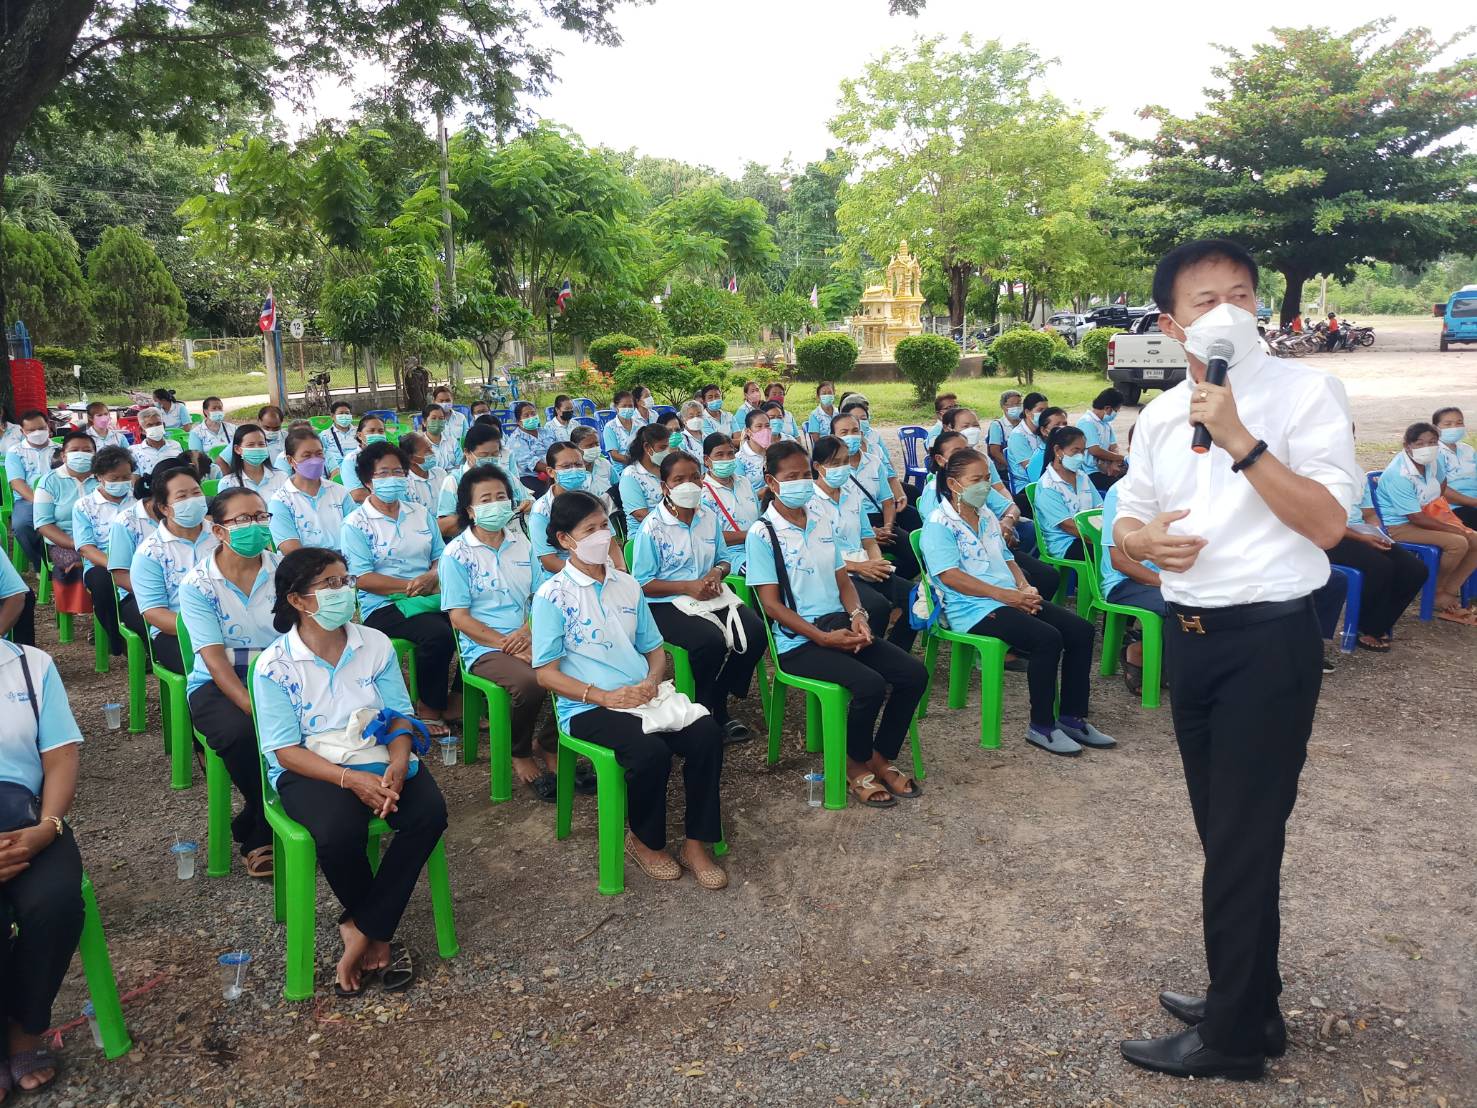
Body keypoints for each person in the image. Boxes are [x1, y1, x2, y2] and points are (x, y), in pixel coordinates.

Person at [1115, 238, 1360, 1080]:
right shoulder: (1157, 414)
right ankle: (1252, 1003)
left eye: (1240, 295)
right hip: (1189, 642)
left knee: (1242, 839)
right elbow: (1124, 526)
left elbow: (1327, 524)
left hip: (1267, 643)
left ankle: (1229, 1041)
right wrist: (1140, 543)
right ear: (1169, 324)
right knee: (1226, 837)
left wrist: (1239, 438)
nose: (1226, 312)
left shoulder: (1303, 393)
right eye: (1204, 300)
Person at [254, 547, 448, 995]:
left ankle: (362, 926)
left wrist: (398, 761)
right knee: (338, 830)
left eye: (346, 581)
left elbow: (399, 717)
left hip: (377, 753)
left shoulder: (373, 643)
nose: (343, 591)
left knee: (427, 814)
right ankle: (377, 932)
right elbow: (285, 750)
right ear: (297, 600)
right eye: (330, 584)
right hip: (311, 766)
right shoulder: (275, 665)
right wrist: (350, 779)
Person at [531, 491, 728, 887]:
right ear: (565, 539)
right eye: (589, 530)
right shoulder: (552, 596)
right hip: (587, 706)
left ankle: (696, 843)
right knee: (649, 752)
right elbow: (546, 675)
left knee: (707, 733)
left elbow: (653, 649)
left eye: (604, 526)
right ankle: (644, 841)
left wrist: (652, 680)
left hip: (641, 695)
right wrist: (604, 696)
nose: (602, 536)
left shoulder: (627, 585)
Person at [745, 441, 927, 808]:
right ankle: (853, 763)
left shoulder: (820, 519)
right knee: (869, 685)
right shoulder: (763, 533)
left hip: (839, 625)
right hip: (799, 641)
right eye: (791, 477)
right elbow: (771, 605)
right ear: (771, 481)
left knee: (912, 674)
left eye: (805, 474)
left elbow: (843, 580)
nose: (801, 482)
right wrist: (822, 638)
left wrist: (858, 616)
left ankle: (879, 755)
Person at [923, 448, 1110, 755]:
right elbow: (950, 576)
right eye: (975, 480)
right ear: (954, 484)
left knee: (1080, 630)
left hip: (1009, 597)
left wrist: (1024, 586)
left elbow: (1007, 557)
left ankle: (1072, 718)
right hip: (971, 607)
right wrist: (1005, 595)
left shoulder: (985, 515)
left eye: (987, 478)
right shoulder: (939, 523)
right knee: (1046, 639)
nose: (985, 485)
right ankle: (1042, 726)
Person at [441, 464, 567, 800]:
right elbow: (459, 618)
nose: (496, 504)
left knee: (581, 662)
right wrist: (508, 644)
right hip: (484, 646)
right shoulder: (456, 554)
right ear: (470, 509)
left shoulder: (521, 543)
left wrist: (528, 632)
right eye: (486, 499)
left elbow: (541, 596)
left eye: (501, 497)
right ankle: (520, 751)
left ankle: (548, 742)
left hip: (529, 634)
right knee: (530, 682)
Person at [0, 638, 85, 1095]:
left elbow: (60, 756)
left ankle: (25, 1027)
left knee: (56, 902)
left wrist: (47, 827)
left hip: (24, 818)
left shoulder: (31, 666)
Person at [180, 489, 279, 878]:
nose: (255, 526)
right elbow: (215, 661)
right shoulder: (198, 584)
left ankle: (257, 822)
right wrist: (253, 706)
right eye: (242, 520)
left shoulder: (285, 571)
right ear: (218, 530)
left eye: (260, 516)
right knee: (241, 733)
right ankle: (265, 829)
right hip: (218, 681)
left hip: (279, 672)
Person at [631, 453, 764, 741]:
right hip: (664, 603)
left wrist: (716, 572)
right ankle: (710, 710)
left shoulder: (708, 517)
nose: (688, 485)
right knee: (709, 641)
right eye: (679, 480)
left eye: (694, 477)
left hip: (709, 594)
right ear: (665, 487)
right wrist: (685, 586)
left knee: (755, 631)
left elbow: (724, 559)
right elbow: (642, 583)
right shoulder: (653, 527)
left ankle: (719, 692)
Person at [341, 442, 456, 736]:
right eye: (383, 473)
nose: (392, 478)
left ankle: (457, 700)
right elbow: (361, 577)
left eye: (398, 472)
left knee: (472, 621)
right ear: (368, 481)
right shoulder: (356, 523)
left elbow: (440, 556)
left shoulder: (419, 513)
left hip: (429, 595)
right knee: (438, 633)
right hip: (385, 605)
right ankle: (429, 709)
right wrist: (410, 586)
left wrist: (431, 576)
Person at [810, 435, 915, 651]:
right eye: (835, 463)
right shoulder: (809, 502)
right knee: (877, 607)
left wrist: (877, 563)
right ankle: (869, 654)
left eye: (845, 461)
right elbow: (815, 553)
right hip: (835, 573)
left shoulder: (851, 494)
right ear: (818, 466)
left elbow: (867, 538)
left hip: (863, 566)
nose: (842, 467)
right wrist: (859, 567)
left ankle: (895, 650)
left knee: (918, 598)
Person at [1374, 422, 1477, 623]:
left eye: (1432, 442)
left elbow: (1441, 484)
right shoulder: (1399, 474)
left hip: (1426, 516)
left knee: (1474, 539)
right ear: (1407, 446)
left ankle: (1448, 591)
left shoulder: (1433, 462)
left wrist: (1437, 509)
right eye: (1420, 443)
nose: (1427, 448)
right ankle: (1435, 590)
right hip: (1399, 526)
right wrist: (1452, 528)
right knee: (1457, 542)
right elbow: (1415, 518)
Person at [1325, 470, 1428, 651]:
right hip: (1330, 537)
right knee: (1380, 567)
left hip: (1360, 532)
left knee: (1415, 569)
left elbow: (1369, 513)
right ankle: (1365, 626)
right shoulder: (1319, 472)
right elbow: (1322, 522)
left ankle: (1378, 623)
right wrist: (1361, 538)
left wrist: (1377, 531)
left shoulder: (1356, 472)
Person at [130, 464, 218, 675]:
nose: (192, 500)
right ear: (164, 508)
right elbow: (154, 612)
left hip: (234, 626)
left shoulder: (222, 536)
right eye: (182, 496)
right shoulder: (150, 553)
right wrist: (205, 627)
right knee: (213, 669)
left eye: (196, 493)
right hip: (177, 633)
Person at [832, 410, 921, 583]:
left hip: (879, 519)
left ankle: (889, 579)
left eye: (855, 431)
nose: (851, 436)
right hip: (850, 525)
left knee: (915, 555)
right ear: (833, 436)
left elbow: (888, 501)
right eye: (844, 432)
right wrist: (868, 533)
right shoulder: (833, 470)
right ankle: (873, 582)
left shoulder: (874, 462)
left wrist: (887, 527)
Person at [1099, 478, 1165, 695]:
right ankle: (1139, 652)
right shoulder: (1120, 493)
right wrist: (1167, 583)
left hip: (1164, 576)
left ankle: (1168, 660)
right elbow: (1120, 561)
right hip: (1124, 581)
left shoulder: (1172, 487)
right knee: (1181, 604)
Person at [530, 442, 625, 581]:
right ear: (551, 472)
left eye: (578, 464)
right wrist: (590, 575)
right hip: (565, 577)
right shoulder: (542, 511)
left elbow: (610, 541)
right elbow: (549, 560)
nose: (574, 470)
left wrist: (620, 570)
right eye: (566, 466)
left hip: (601, 570)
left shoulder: (591, 500)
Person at [74, 446, 136, 656]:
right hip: (101, 562)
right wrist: (116, 565)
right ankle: (118, 640)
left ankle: (145, 635)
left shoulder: (139, 500)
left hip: (140, 558)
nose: (121, 482)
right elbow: (86, 548)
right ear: (99, 476)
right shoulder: (84, 505)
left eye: (126, 477)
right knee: (102, 583)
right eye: (114, 478)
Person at [33, 431, 98, 617]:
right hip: (64, 542)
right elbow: (44, 524)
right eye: (75, 450)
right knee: (81, 562)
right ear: (63, 455)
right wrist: (77, 544)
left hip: (101, 539)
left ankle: (112, 608)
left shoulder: (103, 478)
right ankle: (88, 609)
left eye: (87, 450)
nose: (81, 454)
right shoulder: (50, 481)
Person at [268, 427, 356, 555]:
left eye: (319, 454)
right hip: (305, 565)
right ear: (290, 460)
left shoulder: (340, 492)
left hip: (346, 561)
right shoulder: (281, 501)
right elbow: (292, 551)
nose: (315, 460)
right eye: (307, 456)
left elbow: (356, 533)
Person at [436, 422, 531, 539]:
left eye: (495, 454)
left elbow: (529, 501)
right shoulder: (454, 481)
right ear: (467, 453)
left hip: (511, 538)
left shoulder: (506, 476)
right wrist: (478, 514)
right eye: (483, 455)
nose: (490, 459)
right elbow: (443, 527)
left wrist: (528, 505)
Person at [1034, 426, 1103, 562]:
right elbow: (1068, 526)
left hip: (1091, 535)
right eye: (1075, 451)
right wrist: (1101, 539)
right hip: (1065, 543)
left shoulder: (1082, 477)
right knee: (1111, 555)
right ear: (1058, 450)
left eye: (1083, 451)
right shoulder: (1048, 485)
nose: (1080, 457)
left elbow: (1100, 508)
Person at [700, 432, 761, 575]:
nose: (726, 459)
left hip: (758, 545)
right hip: (730, 555)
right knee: (759, 572)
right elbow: (709, 536)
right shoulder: (703, 493)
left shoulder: (744, 482)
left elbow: (759, 516)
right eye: (719, 455)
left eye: (730, 453)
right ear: (707, 460)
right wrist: (750, 534)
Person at [5, 410, 55, 570]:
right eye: (31, 430)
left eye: (41, 428)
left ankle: (69, 562)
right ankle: (41, 565)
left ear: (48, 426)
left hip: (58, 497)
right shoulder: (15, 452)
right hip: (28, 499)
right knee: (22, 525)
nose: (37, 433)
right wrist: (40, 502)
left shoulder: (60, 450)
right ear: (22, 431)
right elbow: (17, 484)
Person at [617, 424, 671, 534]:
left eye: (667, 447)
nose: (667, 451)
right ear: (647, 447)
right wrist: (672, 525)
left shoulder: (666, 468)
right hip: (644, 534)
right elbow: (640, 515)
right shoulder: (631, 475)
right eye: (662, 448)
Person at [1432, 406, 1477, 529]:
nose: (1455, 427)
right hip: (1452, 508)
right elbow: (1440, 490)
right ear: (1435, 429)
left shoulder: (1468, 449)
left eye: (1459, 423)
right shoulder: (1434, 452)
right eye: (1448, 424)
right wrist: (1473, 502)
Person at [220, 424, 288, 501]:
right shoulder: (228, 483)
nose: (257, 448)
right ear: (237, 449)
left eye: (261, 444)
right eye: (251, 445)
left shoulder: (282, 477)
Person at [1077, 389, 1127, 491]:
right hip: (1090, 472)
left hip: (1105, 467)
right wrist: (1122, 458)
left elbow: (1114, 446)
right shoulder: (1087, 422)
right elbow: (1095, 450)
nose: (1116, 413)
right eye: (1116, 410)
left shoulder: (1106, 424)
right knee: (1122, 488)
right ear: (1107, 408)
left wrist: (1115, 462)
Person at [338, 414, 390, 503]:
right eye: (371, 431)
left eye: (381, 431)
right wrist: (388, 500)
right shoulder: (351, 460)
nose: (377, 434)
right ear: (359, 435)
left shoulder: (391, 457)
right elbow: (357, 494)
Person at [1005, 392, 1050, 489]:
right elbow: (1032, 471)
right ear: (1027, 412)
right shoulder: (1018, 436)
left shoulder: (1043, 431)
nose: (1045, 414)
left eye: (1047, 410)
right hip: (1026, 486)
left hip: (1044, 479)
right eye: (1040, 410)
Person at [602, 391, 643, 490]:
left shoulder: (640, 425)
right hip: (621, 471)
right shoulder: (610, 427)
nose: (628, 409)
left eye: (630, 406)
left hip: (641, 467)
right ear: (616, 407)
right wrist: (635, 462)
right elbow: (614, 455)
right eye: (624, 406)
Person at [508, 401, 549, 494]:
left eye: (533, 414)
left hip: (552, 470)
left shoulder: (546, 432)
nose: (531, 417)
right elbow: (532, 463)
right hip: (531, 476)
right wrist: (555, 471)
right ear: (519, 421)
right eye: (526, 415)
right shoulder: (516, 439)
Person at [127, 406, 181, 477]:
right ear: (142, 430)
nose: (155, 427)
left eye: (158, 424)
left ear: (163, 426)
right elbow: (135, 477)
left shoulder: (175, 445)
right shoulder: (134, 451)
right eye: (150, 425)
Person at [569, 425, 613, 510]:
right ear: (576, 447)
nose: (595, 448)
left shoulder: (604, 464)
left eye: (597, 444)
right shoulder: (570, 472)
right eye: (590, 446)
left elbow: (617, 486)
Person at [187, 396, 234, 470]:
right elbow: (197, 458)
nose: (218, 410)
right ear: (205, 411)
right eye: (214, 408)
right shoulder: (196, 433)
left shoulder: (233, 428)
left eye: (220, 408)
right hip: (210, 469)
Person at [986, 390, 1024, 474]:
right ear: (1003, 406)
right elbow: (995, 452)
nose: (1016, 407)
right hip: (1005, 470)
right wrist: (1012, 466)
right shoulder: (997, 425)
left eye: (1019, 403)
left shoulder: (1024, 424)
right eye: (1012, 404)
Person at [420, 403, 463, 473]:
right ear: (424, 422)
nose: (437, 421)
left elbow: (460, 465)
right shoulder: (419, 444)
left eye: (441, 418)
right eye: (433, 418)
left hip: (453, 477)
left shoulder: (452, 441)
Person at [735, 409, 771, 493]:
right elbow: (741, 492)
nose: (765, 430)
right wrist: (761, 493)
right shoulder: (740, 459)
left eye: (767, 426)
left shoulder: (775, 453)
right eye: (759, 426)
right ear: (748, 431)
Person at [320, 401, 357, 478]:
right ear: (332, 416)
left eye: (347, 413)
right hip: (336, 474)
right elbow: (321, 456)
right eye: (341, 413)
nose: (344, 416)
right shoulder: (325, 435)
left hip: (358, 471)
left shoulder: (359, 433)